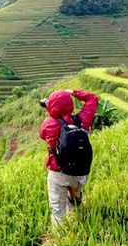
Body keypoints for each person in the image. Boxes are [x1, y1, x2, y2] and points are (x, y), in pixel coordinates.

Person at [39, 89, 98, 225]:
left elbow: (42, 135)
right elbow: (92, 98)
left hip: (58, 173)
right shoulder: (82, 120)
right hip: (79, 172)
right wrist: (72, 92)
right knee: (75, 201)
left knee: (58, 211)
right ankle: (77, 217)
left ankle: (61, 240)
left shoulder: (48, 124)